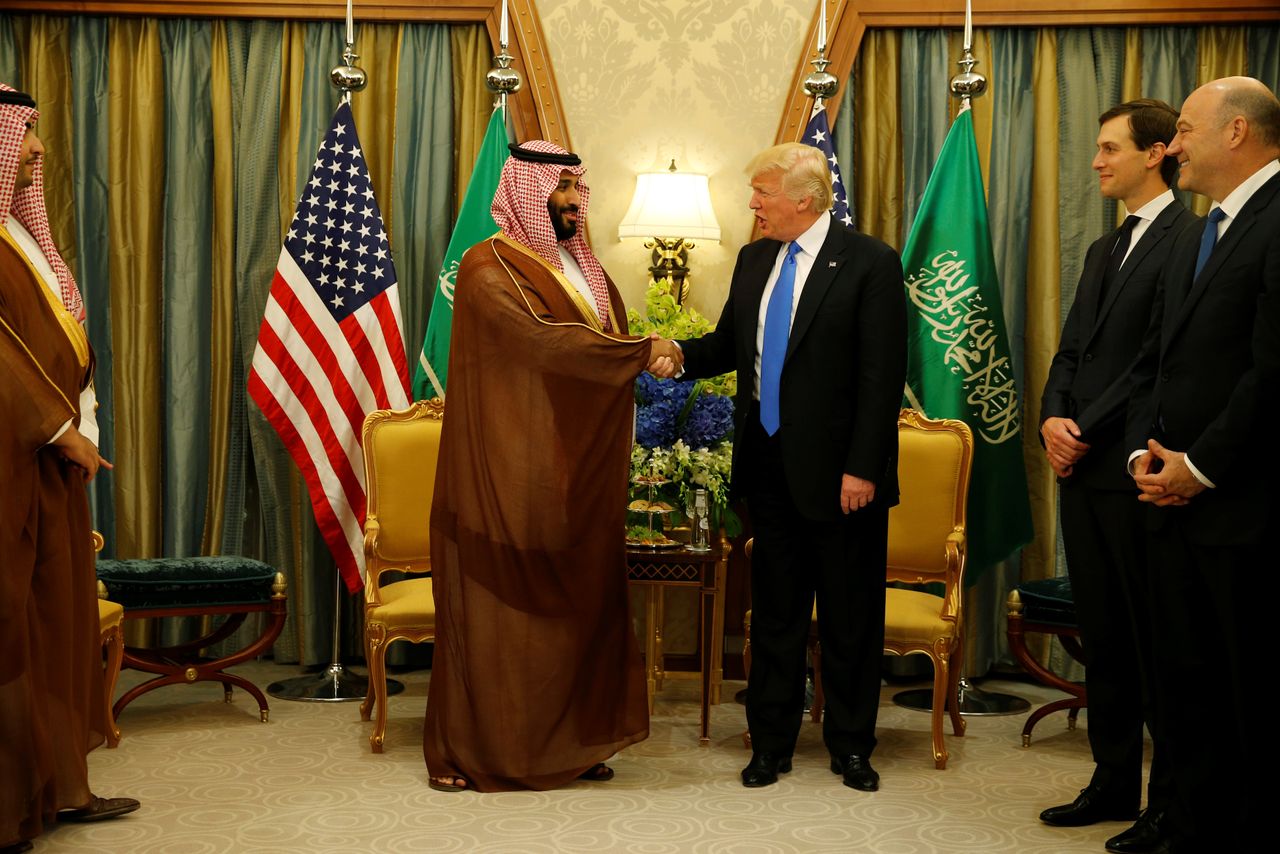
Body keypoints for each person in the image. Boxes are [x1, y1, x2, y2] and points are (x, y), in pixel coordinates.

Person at [422, 140, 678, 792]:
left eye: (575, 188)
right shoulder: (489, 267)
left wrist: (640, 349)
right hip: (507, 466)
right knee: (502, 612)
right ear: (524, 192)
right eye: (558, 188)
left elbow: (597, 344)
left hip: (574, 472)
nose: (569, 201)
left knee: (576, 608)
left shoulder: (579, 266)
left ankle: (570, 745)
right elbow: (540, 342)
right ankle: (473, 751)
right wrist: (640, 352)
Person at [671, 142, 905, 791]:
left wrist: (863, 468)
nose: (753, 204)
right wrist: (670, 353)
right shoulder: (753, 261)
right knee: (774, 616)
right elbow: (727, 346)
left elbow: (880, 378)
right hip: (767, 467)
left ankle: (852, 745)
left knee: (848, 618)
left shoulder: (869, 263)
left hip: (842, 479)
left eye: (762, 192)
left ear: (803, 198)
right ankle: (770, 743)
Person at [1125, 77, 1280, 852]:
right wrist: (1155, 457)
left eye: (1184, 130)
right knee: (1185, 682)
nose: (1173, 146)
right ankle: (1188, 822)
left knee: (1243, 691)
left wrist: (1202, 466)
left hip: (1241, 504)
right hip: (1175, 497)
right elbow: (1172, 361)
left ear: (1237, 133)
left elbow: (1271, 370)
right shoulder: (1211, 225)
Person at [1037, 99, 1194, 854]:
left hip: (1130, 469)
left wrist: (1084, 431)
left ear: (1156, 152)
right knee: (1101, 636)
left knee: (1148, 639)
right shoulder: (1105, 249)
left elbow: (1151, 366)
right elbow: (1072, 350)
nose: (1096, 161)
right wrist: (1050, 418)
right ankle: (1109, 781)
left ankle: (1168, 804)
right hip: (1081, 470)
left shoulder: (1188, 238)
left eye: (1109, 149)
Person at [1, 83, 137, 854]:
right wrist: (59, 427)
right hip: (15, 464)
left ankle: (60, 785)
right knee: (20, 621)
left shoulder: (18, 235)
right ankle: (16, 800)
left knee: (57, 619)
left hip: (48, 464)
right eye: (23, 137)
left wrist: (74, 419)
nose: (38, 151)